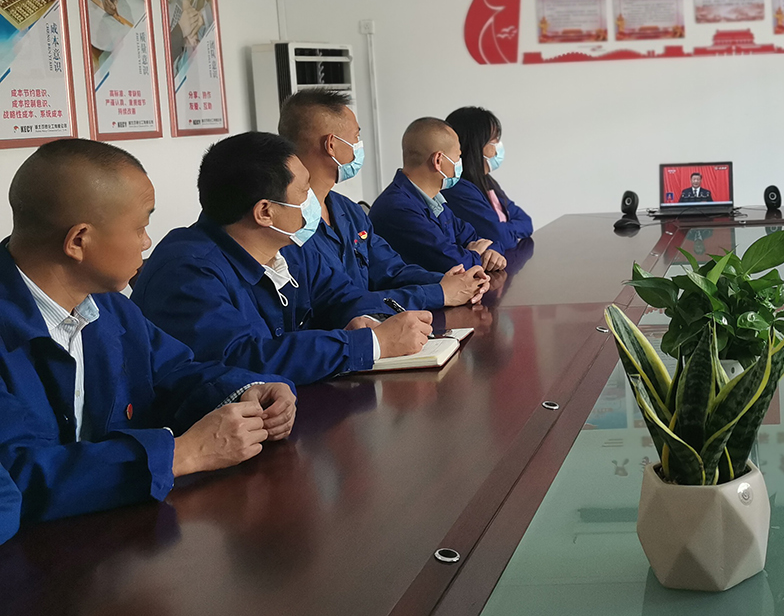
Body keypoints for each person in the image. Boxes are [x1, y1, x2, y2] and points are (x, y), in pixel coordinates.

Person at [0, 140, 296, 528]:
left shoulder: (108, 307)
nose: (147, 242)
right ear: (79, 241)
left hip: (112, 532)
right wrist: (182, 454)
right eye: (140, 228)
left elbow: (175, 372)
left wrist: (250, 391)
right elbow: (16, 477)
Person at [133, 132, 432, 384]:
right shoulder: (187, 272)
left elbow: (342, 296)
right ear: (265, 212)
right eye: (304, 191)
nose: (313, 201)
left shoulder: (289, 246)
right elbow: (245, 360)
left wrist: (364, 321)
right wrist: (371, 344)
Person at [279, 89, 488, 308]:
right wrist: (439, 293)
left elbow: (392, 271)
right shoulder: (285, 224)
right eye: (356, 137)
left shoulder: (349, 211)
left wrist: (452, 282)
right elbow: (340, 303)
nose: (359, 145)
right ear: (331, 145)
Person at [370, 118, 508, 275]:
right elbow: (451, 263)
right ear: (438, 160)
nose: (459, 163)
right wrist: (476, 254)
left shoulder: (434, 200)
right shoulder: (398, 208)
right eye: (458, 156)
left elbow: (475, 237)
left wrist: (492, 251)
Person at [443, 106, 534, 250]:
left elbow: (526, 222)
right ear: (475, 144)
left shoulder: (487, 181)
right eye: (494, 140)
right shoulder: (458, 189)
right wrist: (506, 230)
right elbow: (500, 238)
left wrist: (504, 229)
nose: (498, 145)